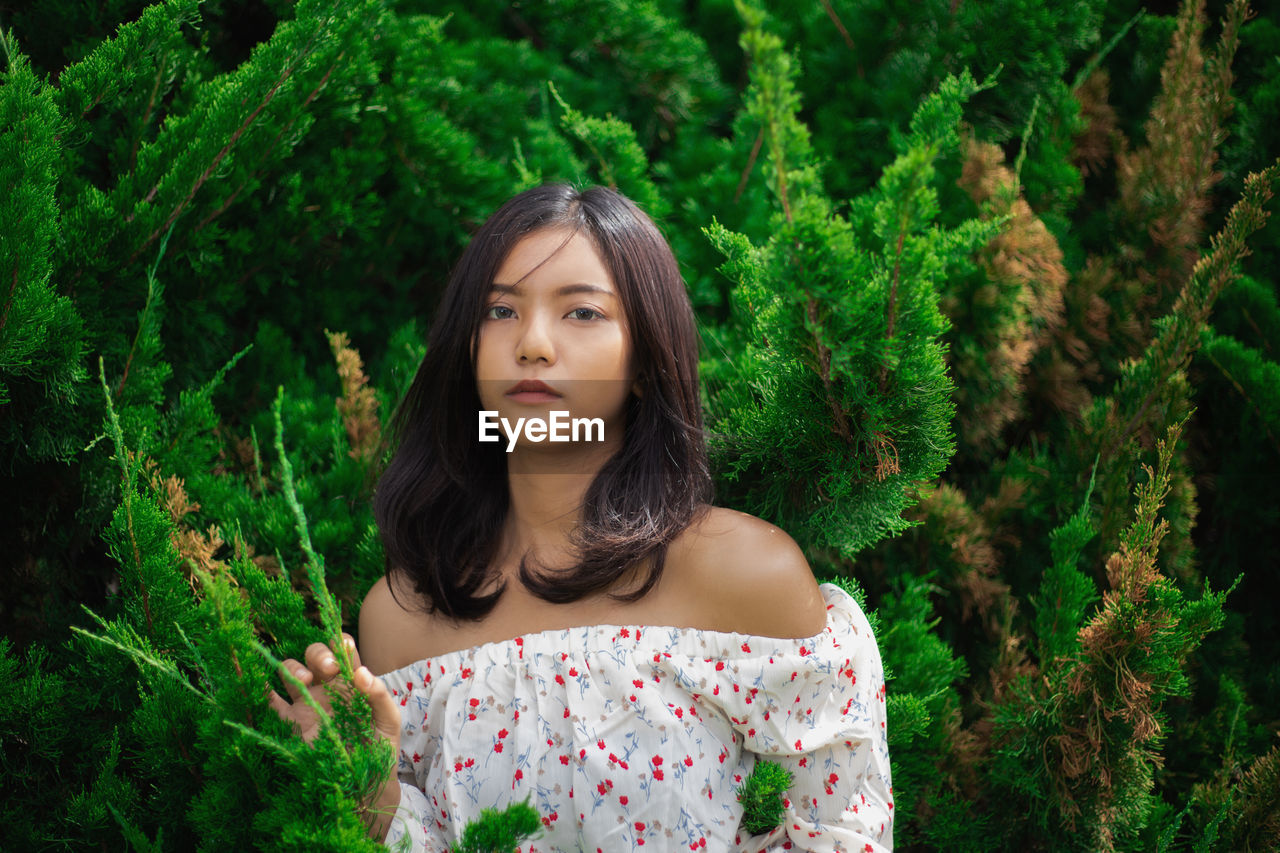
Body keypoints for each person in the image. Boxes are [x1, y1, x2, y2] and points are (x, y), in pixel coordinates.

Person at [268, 184, 893, 851]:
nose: (533, 343)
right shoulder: (400, 619)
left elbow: (839, 833)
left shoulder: (747, 574)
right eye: (500, 310)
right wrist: (370, 791)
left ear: (647, 363)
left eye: (582, 313)